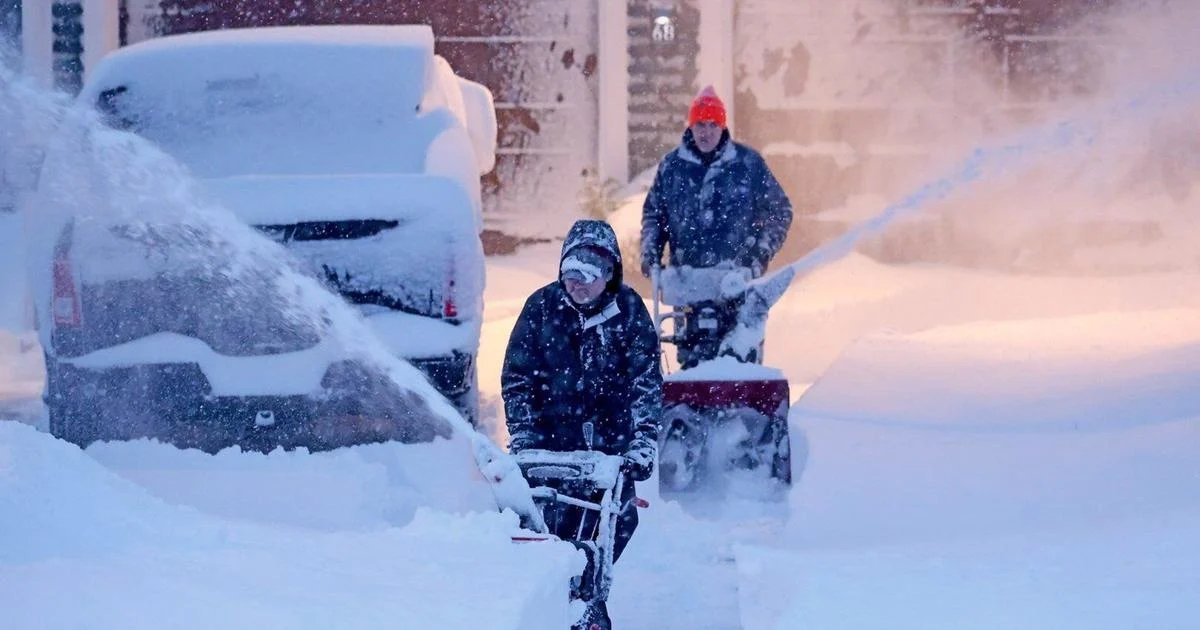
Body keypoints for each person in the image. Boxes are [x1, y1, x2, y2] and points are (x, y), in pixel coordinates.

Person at [502, 219, 662, 628]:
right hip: (550, 446)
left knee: (618, 521)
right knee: (546, 531)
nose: (578, 285)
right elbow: (518, 379)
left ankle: (589, 594)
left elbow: (646, 383)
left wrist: (641, 443)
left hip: (611, 450)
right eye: (570, 275)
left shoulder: (628, 313)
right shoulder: (540, 309)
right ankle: (553, 600)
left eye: (588, 277)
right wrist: (524, 436)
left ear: (609, 274)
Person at [640, 85, 793, 366]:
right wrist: (650, 254)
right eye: (700, 124)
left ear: (723, 126)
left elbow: (780, 211)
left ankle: (742, 407)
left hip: (737, 283)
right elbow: (654, 215)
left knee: (740, 363)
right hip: (688, 285)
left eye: (713, 124)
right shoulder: (672, 168)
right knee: (693, 370)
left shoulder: (748, 165)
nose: (706, 131)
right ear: (691, 125)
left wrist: (758, 255)